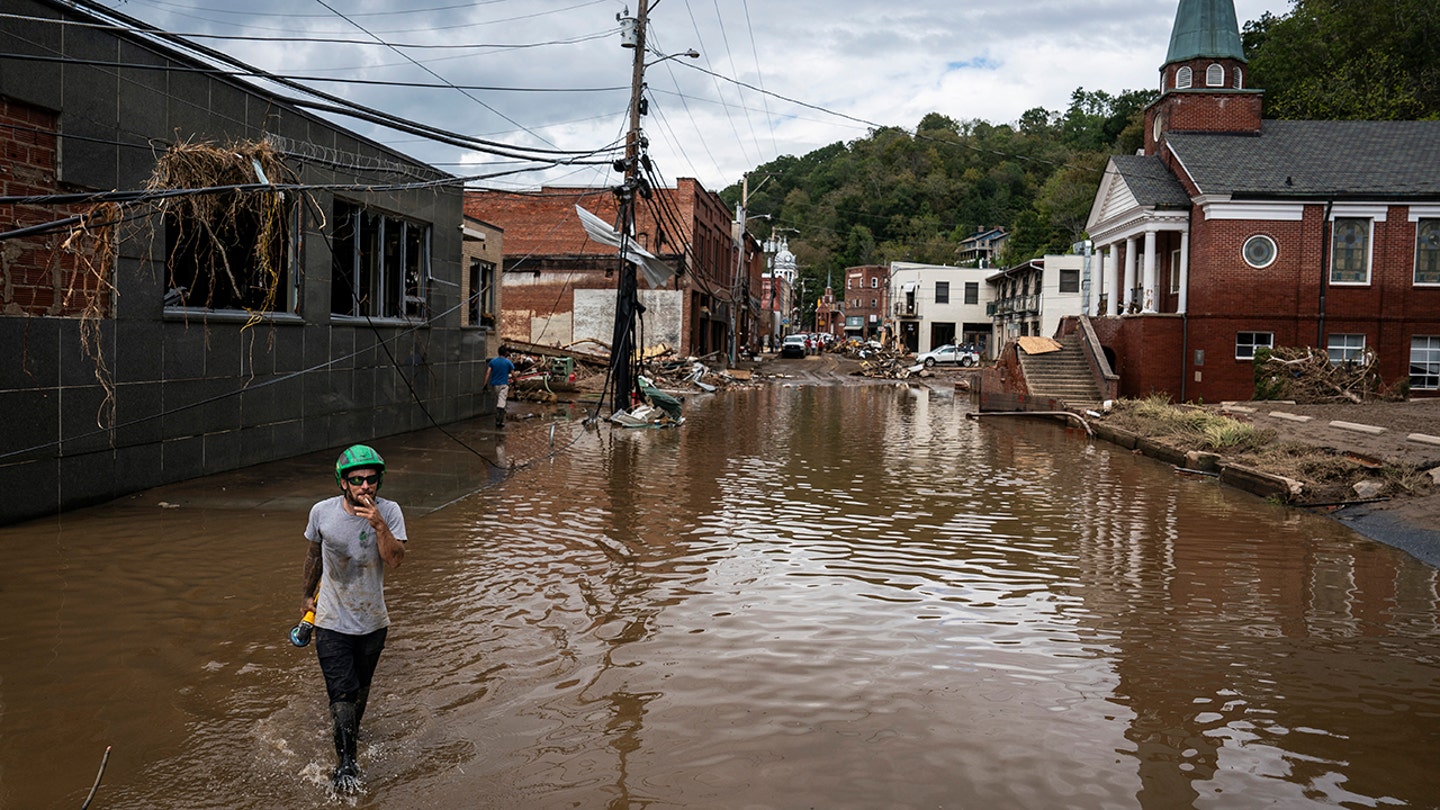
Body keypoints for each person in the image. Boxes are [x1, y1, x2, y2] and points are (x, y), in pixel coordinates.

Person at [300, 444, 407, 789]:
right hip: (331, 620)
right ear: (343, 482)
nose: (365, 486)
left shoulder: (389, 513)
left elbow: (396, 560)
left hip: (373, 621)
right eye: (357, 480)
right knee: (342, 693)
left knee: (360, 692)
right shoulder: (322, 512)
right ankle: (346, 763)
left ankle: (348, 735)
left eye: (371, 479)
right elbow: (314, 555)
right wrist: (306, 596)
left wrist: (378, 526)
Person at [482, 345, 516, 428]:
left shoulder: (493, 361)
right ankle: (499, 421)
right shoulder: (508, 362)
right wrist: (516, 381)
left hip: (494, 385)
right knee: (501, 403)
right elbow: (513, 374)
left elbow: (488, 373)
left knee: (499, 400)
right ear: (505, 353)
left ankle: (499, 418)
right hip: (503, 384)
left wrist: (485, 384)